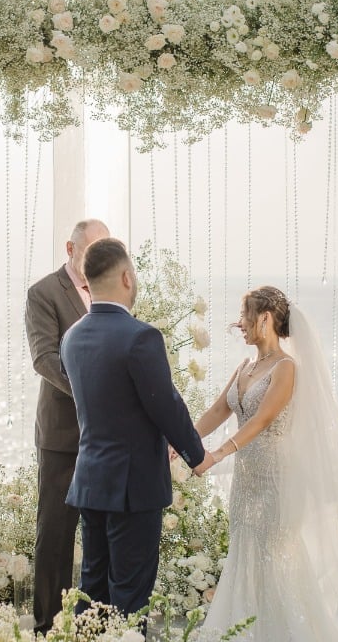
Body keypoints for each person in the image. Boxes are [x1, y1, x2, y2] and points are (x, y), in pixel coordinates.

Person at [193, 286, 338, 641]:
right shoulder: (245, 367)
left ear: (266, 319)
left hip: (275, 480)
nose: (239, 324)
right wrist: (181, 444)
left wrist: (217, 454)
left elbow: (262, 420)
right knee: (244, 551)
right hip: (246, 480)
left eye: (245, 315)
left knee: (273, 557)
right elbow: (217, 411)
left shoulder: (286, 368)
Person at [60, 238, 215, 623]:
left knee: (91, 592)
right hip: (133, 489)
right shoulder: (139, 336)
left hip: (91, 482)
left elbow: (105, 405)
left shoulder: (72, 337)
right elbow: (166, 406)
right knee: (131, 596)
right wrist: (198, 456)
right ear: (127, 277)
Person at [24, 218, 109, 635]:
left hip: (108, 437)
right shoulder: (44, 293)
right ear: (70, 249)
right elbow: (44, 358)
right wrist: (91, 394)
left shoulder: (110, 291)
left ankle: (93, 623)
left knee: (103, 534)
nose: (97, 259)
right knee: (56, 535)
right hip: (63, 435)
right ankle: (47, 626)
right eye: (90, 250)